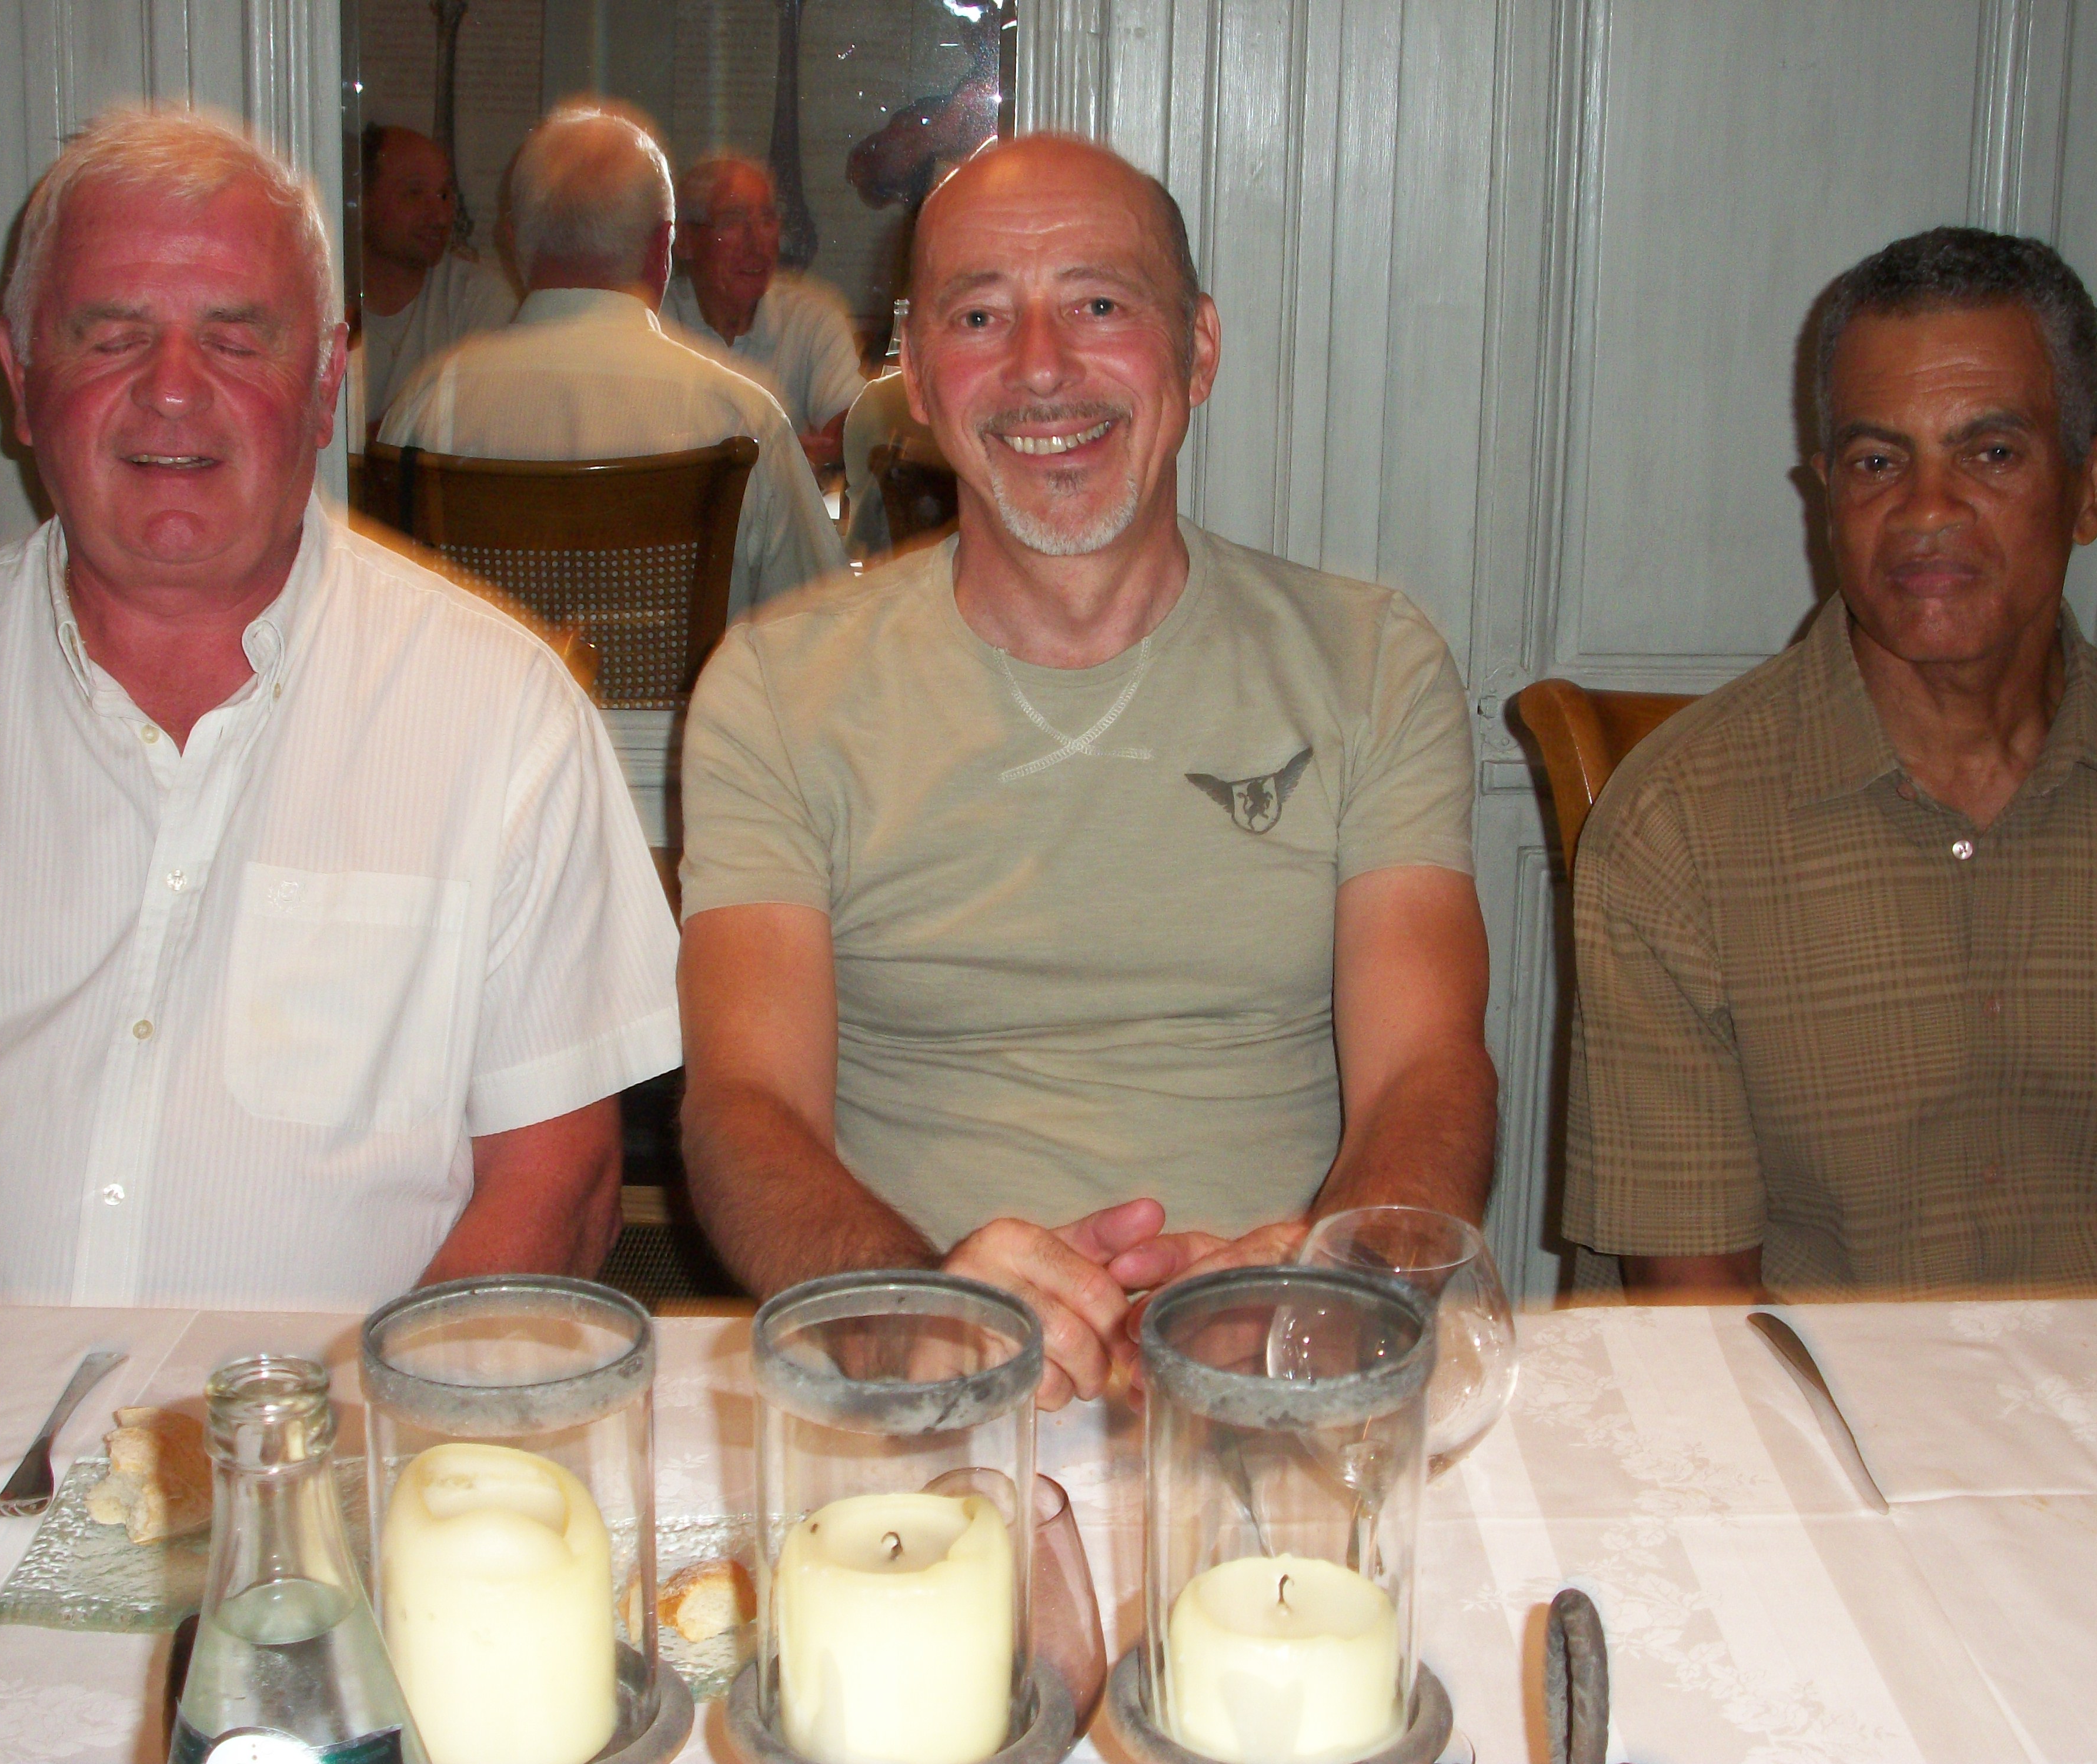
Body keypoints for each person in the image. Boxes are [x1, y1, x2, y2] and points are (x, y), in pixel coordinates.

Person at [678, 135, 1497, 1407]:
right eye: (979, 316)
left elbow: (1427, 1073)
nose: (1041, 367)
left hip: (1280, 1385)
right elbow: (743, 1110)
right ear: (919, 377)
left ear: (1199, 351)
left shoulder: (1372, 665)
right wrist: (912, 1313)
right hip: (924, 1395)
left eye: (1100, 305)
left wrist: (1336, 1297)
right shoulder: (776, 691)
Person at [0, 107, 681, 1309]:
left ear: (325, 382)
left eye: (235, 340)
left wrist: (366, 1417)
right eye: (112, 337)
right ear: (20, 376)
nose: (172, 391)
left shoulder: (501, 718)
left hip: (354, 1422)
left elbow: (559, 1184)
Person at [1562, 226, 2097, 1302]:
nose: (1926, 511)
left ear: (2088, 487)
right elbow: (1701, 1316)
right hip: (1789, 1402)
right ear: (1826, 494)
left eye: (1991, 453)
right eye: (1878, 462)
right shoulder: (1677, 829)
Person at [378, 105, 846, 619]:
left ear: (514, 243)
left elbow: (385, 614)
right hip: (692, 680)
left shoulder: (430, 408)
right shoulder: (744, 420)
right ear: (663, 248)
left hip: (482, 676)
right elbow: (823, 624)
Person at [662, 155, 868, 474]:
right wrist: (779, 455)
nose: (757, 242)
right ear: (686, 240)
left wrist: (847, 434)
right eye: (732, 221)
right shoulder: (657, 320)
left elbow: (849, 431)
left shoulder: (813, 319)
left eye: (767, 219)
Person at [355, 124, 516, 426]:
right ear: (361, 202)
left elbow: (469, 432)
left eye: (444, 195)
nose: (440, 217)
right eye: (414, 193)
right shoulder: (323, 303)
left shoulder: (478, 298)